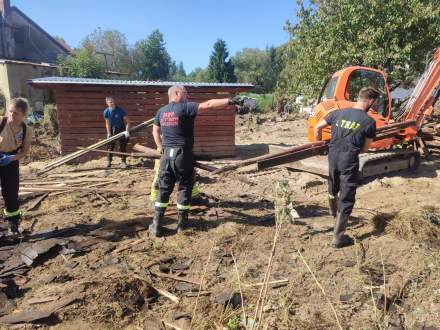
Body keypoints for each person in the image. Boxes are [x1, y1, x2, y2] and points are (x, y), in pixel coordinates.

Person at [150, 85, 246, 237]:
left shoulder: (161, 111)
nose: (188, 96)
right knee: (184, 187)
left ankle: (156, 224)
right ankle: (182, 224)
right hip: (182, 155)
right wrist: (230, 100)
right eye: (185, 93)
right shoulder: (184, 108)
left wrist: (160, 147)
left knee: (164, 189)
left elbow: (155, 130)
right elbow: (208, 105)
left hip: (166, 156)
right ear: (176, 93)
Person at [314, 87, 379, 248]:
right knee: (347, 196)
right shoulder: (369, 121)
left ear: (359, 98)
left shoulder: (338, 113)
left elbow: (317, 127)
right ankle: (338, 237)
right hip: (348, 160)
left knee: (332, 187)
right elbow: (365, 149)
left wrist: (317, 146)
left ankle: (332, 215)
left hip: (332, 156)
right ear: (371, 101)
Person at [0, 98, 33, 235]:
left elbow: (25, 151)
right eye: (10, 112)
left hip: (11, 161)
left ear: (23, 115)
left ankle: (13, 223)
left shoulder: (27, 130)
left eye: (16, 113)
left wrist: (11, 158)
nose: (12, 116)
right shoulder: (1, 122)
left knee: (11, 193)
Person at [103, 96, 130, 169]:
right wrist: (109, 133)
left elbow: (127, 122)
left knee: (122, 146)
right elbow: (107, 123)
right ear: (107, 103)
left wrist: (127, 131)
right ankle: (109, 161)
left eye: (113, 101)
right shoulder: (106, 112)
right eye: (110, 102)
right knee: (110, 146)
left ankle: (123, 161)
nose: (112, 103)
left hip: (121, 129)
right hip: (112, 130)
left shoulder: (120, 110)